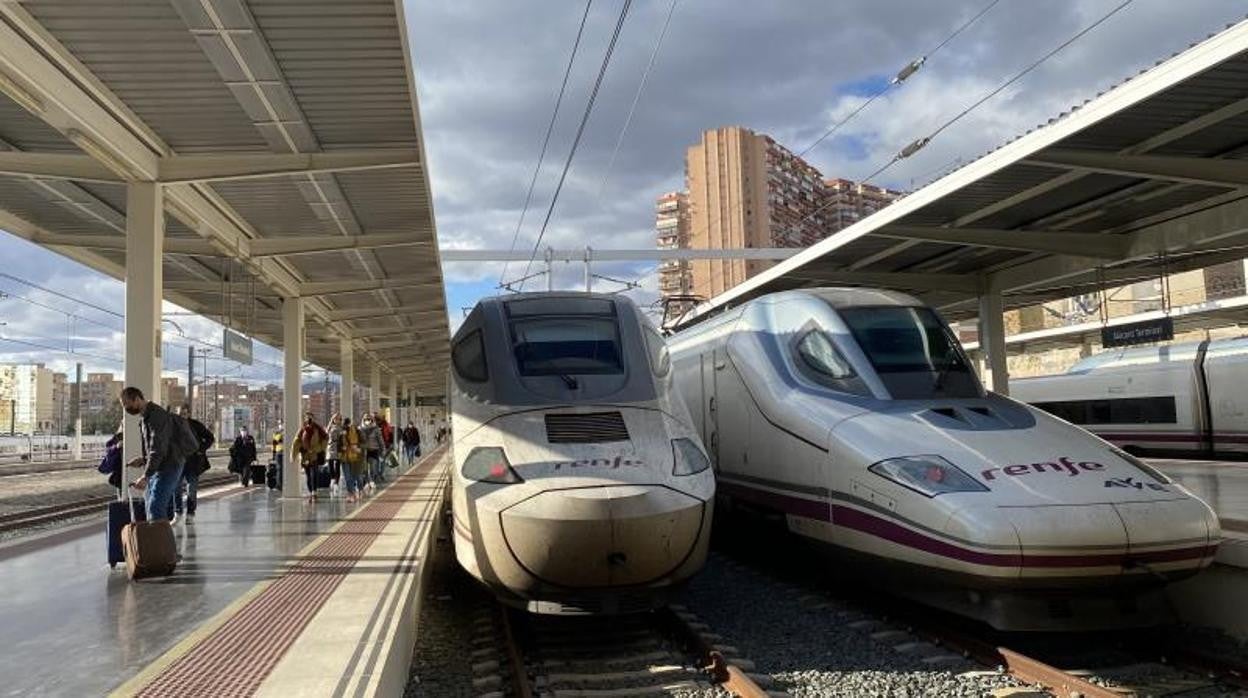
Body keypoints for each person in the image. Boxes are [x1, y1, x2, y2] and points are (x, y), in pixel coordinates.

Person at [121, 387, 192, 523]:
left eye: (126, 403)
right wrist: (143, 459)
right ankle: (156, 540)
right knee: (150, 505)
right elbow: (158, 447)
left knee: (155, 508)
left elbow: (157, 449)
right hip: (162, 465)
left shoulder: (156, 417)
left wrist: (146, 476)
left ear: (137, 399)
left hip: (170, 465)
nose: (126, 408)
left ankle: (160, 543)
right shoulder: (145, 418)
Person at [173, 404, 214, 523]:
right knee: (176, 487)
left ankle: (190, 513)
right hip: (177, 461)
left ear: (189, 414)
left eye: (184, 413)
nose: (182, 416)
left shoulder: (196, 425)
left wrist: (201, 449)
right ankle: (178, 512)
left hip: (193, 462)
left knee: (192, 488)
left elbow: (210, 437)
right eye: (180, 413)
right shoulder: (173, 426)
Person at [292, 412, 328, 503]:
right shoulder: (302, 429)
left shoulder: (318, 429)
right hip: (305, 455)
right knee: (308, 475)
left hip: (314, 454)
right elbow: (296, 442)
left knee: (314, 473)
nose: (308, 419)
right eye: (307, 417)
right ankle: (311, 492)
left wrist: (319, 449)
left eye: (310, 417)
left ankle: (314, 493)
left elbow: (325, 438)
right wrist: (293, 455)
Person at [340, 417, 366, 503]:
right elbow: (337, 445)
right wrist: (341, 448)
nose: (347, 426)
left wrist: (358, 448)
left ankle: (359, 489)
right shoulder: (341, 433)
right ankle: (351, 494)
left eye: (348, 424)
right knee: (347, 477)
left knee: (356, 476)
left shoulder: (357, 431)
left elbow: (364, 443)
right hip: (344, 457)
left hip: (355, 457)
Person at [359, 413, 384, 490]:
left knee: (373, 467)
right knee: (365, 468)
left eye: (369, 419)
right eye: (366, 419)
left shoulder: (376, 429)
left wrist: (382, 449)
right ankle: (366, 481)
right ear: (363, 420)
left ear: (372, 420)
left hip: (374, 450)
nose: (367, 421)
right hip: (364, 451)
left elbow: (380, 440)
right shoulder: (360, 429)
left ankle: (372, 480)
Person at [326, 413, 344, 491]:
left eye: (339, 419)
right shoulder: (330, 427)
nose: (337, 420)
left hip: (338, 447)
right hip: (330, 446)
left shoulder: (342, 428)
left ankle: (336, 482)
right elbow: (326, 434)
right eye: (335, 419)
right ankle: (332, 479)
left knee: (337, 464)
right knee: (330, 463)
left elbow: (343, 438)